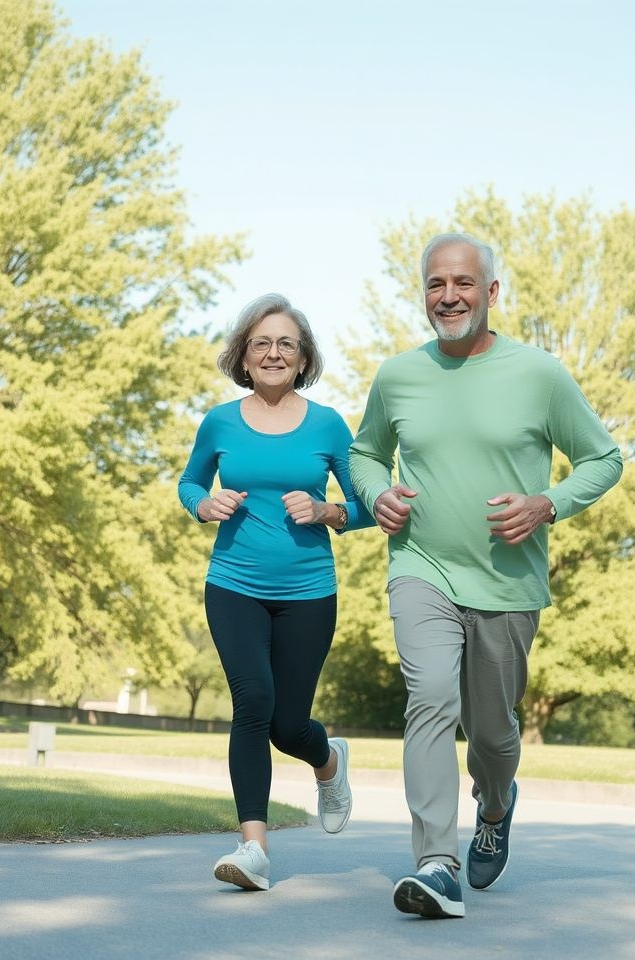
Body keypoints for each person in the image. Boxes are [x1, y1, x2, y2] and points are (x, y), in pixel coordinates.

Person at [348, 233, 624, 918]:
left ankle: (495, 805)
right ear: (424, 295)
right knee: (430, 697)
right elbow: (364, 452)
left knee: (494, 735)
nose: (450, 296)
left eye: (464, 283)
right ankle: (436, 862)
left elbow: (603, 458)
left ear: (491, 293)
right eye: (436, 284)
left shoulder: (540, 375)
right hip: (422, 567)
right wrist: (375, 490)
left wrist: (547, 504)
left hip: (507, 582)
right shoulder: (397, 376)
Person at [178, 292, 373, 892]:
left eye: (286, 343)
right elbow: (189, 482)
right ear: (243, 355)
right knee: (252, 702)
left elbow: (370, 505)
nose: (273, 352)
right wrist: (203, 505)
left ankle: (328, 759)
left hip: (309, 591)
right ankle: (254, 849)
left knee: (289, 725)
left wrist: (327, 510)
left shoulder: (328, 425)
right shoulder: (219, 421)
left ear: (303, 357)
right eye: (261, 342)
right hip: (233, 583)